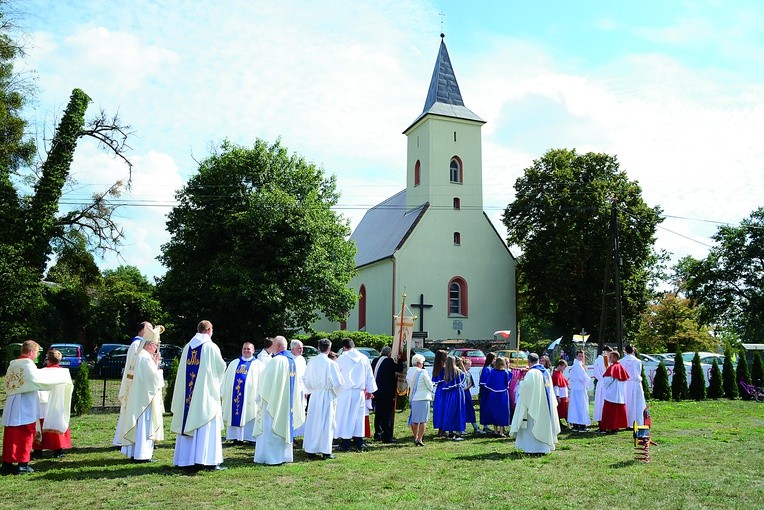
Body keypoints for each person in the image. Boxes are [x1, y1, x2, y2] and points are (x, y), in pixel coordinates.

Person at [2, 340, 73, 475]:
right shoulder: (28, 364)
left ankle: (7, 464)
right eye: (36, 353)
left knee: (11, 435)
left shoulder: (13, 364)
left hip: (12, 403)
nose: (36, 356)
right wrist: (61, 377)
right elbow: (39, 381)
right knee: (26, 433)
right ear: (31, 352)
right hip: (24, 404)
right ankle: (22, 464)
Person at [171, 320, 227, 471]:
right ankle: (206, 460)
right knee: (205, 422)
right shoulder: (211, 347)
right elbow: (221, 367)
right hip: (205, 396)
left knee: (188, 420)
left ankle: (185, 460)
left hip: (188, 397)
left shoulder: (187, 347)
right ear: (209, 330)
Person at [254, 336, 305, 465]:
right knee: (284, 425)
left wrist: (259, 396)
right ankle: (284, 456)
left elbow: (265, 382)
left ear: (277, 346)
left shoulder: (275, 361)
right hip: (287, 404)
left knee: (270, 427)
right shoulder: (292, 361)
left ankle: (270, 457)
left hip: (273, 402)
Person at [117, 338, 165, 462]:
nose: (155, 348)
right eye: (155, 345)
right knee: (144, 425)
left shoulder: (140, 355)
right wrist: (159, 371)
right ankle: (142, 455)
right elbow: (153, 379)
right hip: (145, 399)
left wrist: (154, 363)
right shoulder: (145, 358)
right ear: (148, 345)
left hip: (138, 397)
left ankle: (134, 452)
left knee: (138, 425)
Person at [509, 353, 560, 454]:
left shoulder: (532, 373)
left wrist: (521, 381)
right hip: (545, 405)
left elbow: (526, 389)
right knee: (544, 424)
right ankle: (544, 447)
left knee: (532, 426)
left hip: (534, 405)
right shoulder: (545, 372)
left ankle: (533, 448)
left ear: (528, 362)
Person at [302, 338, 344, 459]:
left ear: (319, 348)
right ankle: (326, 451)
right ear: (329, 349)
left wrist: (312, 390)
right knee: (326, 422)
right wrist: (335, 393)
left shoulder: (311, 362)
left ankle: (311, 450)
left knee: (314, 422)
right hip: (327, 395)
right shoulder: (331, 364)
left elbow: (305, 379)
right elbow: (338, 383)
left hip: (315, 395)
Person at [114, 321, 154, 446]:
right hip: (136, 383)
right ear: (143, 330)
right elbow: (136, 365)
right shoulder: (137, 345)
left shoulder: (139, 344)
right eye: (150, 329)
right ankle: (125, 439)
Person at [334, 338, 377, 452]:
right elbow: (369, 374)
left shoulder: (342, 358)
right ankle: (360, 443)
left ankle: (346, 443)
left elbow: (336, 375)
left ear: (344, 348)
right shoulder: (364, 358)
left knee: (346, 417)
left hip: (346, 391)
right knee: (359, 418)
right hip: (359, 392)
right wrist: (370, 390)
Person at [32, 350, 73, 459]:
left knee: (40, 425)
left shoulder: (41, 372)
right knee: (57, 423)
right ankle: (58, 450)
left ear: (48, 361)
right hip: (57, 403)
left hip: (42, 402)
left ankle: (37, 450)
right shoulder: (64, 372)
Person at [221, 342, 260, 443]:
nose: (246, 350)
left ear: (253, 350)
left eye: (248, 349)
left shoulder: (258, 365)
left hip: (250, 397)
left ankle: (250, 438)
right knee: (235, 413)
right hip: (234, 396)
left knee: (250, 414)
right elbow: (226, 379)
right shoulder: (234, 363)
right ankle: (236, 437)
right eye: (244, 349)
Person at [371, 346, 404, 443]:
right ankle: (386, 436)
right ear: (389, 354)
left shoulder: (375, 360)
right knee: (386, 415)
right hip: (386, 393)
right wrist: (400, 360)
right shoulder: (388, 361)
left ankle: (377, 434)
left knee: (378, 414)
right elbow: (399, 368)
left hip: (377, 391)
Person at [406, 353, 434, 446]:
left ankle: (415, 437)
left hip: (414, 398)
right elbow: (430, 385)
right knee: (423, 420)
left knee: (414, 419)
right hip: (423, 397)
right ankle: (420, 438)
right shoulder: (423, 372)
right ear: (419, 363)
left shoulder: (409, 371)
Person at [599, 351, 629, 433]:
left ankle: (607, 427)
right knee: (617, 412)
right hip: (618, 393)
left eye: (611, 357)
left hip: (612, 393)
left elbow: (608, 379)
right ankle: (615, 427)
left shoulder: (613, 367)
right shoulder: (619, 367)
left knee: (609, 411)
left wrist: (604, 383)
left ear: (615, 358)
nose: (609, 358)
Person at [482, 356, 512, 436]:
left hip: (493, 394)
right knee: (502, 412)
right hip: (503, 395)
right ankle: (501, 432)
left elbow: (488, 383)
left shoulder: (492, 371)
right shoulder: (505, 372)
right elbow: (507, 382)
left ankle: (495, 431)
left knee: (494, 411)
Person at [440, 356, 467, 441]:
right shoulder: (458, 371)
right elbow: (465, 376)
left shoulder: (446, 372)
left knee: (450, 412)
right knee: (458, 412)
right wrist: (461, 364)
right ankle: (458, 433)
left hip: (449, 394)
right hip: (458, 393)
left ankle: (450, 432)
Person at [620, 344, 647, 427]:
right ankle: (637, 421)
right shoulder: (638, 361)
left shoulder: (621, 361)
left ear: (625, 351)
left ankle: (626, 421)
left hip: (625, 383)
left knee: (627, 402)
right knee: (636, 402)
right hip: (635, 383)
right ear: (633, 350)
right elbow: (638, 372)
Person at [567, 350, 592, 432]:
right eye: (579, 356)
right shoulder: (578, 366)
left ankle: (575, 424)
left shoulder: (576, 365)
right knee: (581, 406)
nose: (581, 358)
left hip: (576, 388)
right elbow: (585, 378)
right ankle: (581, 425)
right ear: (576, 356)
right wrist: (586, 384)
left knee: (575, 406)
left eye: (582, 356)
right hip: (580, 388)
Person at [459, 358, 484, 435]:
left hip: (467, 393)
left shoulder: (469, 374)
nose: (470, 367)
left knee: (470, 410)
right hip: (461, 394)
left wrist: (466, 388)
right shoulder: (459, 373)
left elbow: (470, 383)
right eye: (468, 365)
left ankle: (475, 427)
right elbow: (464, 373)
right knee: (461, 410)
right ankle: (462, 428)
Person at [290, 339, 308, 438]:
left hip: (301, 389)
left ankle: (298, 433)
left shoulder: (302, 359)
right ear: (293, 348)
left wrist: (306, 390)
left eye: (302, 348)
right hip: (292, 390)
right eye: (299, 348)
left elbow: (305, 375)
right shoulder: (288, 359)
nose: (301, 350)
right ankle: (291, 435)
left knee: (300, 411)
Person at [592, 345, 613, 424]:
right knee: (603, 401)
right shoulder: (604, 360)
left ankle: (600, 417)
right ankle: (603, 417)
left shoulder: (597, 360)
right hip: (604, 382)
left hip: (600, 383)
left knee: (599, 401)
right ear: (606, 352)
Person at [431, 349, 448, 437]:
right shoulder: (444, 368)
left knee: (439, 409)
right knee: (444, 408)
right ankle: (443, 429)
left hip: (439, 391)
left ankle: (440, 429)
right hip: (444, 389)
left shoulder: (436, 367)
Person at [478, 352, 496, 433]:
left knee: (489, 409)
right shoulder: (486, 369)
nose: (495, 361)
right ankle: (485, 426)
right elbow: (483, 383)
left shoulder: (490, 368)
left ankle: (487, 425)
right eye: (494, 359)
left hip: (489, 392)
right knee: (485, 409)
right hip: (486, 392)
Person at [551, 359, 570, 430]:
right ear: (560, 365)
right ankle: (559, 424)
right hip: (560, 396)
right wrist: (557, 396)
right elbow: (556, 386)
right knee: (560, 411)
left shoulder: (560, 373)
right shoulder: (555, 374)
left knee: (564, 410)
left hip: (564, 396)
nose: (564, 369)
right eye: (564, 367)